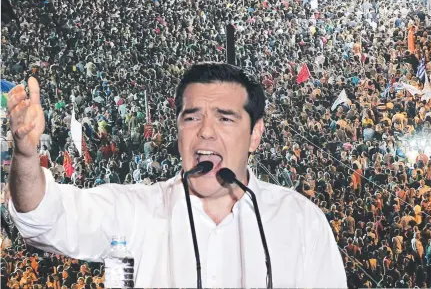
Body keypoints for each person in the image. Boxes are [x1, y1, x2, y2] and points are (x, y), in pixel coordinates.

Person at [7, 64, 347, 288]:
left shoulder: (300, 222)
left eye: (226, 118)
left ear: (255, 134)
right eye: (191, 118)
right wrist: (25, 155)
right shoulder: (139, 211)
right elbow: (43, 218)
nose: (206, 132)